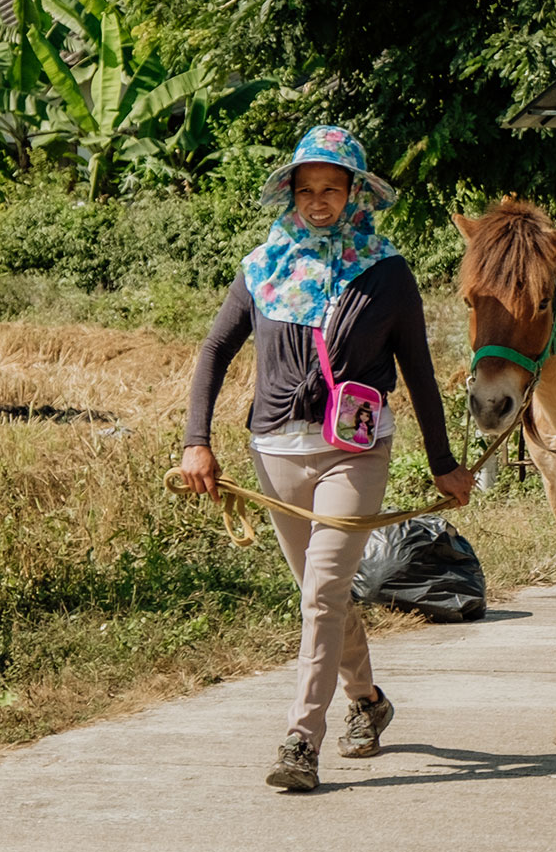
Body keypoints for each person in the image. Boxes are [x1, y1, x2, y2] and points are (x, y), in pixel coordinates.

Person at [179, 126, 475, 794]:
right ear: (291, 193)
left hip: (356, 451)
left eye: (331, 188)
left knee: (322, 592)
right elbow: (213, 352)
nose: (318, 201)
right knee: (325, 597)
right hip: (275, 449)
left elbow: (420, 373)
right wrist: (197, 439)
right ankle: (367, 701)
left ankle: (300, 740)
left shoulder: (386, 271)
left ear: (354, 193)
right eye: (307, 189)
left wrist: (442, 462)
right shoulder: (262, 268)